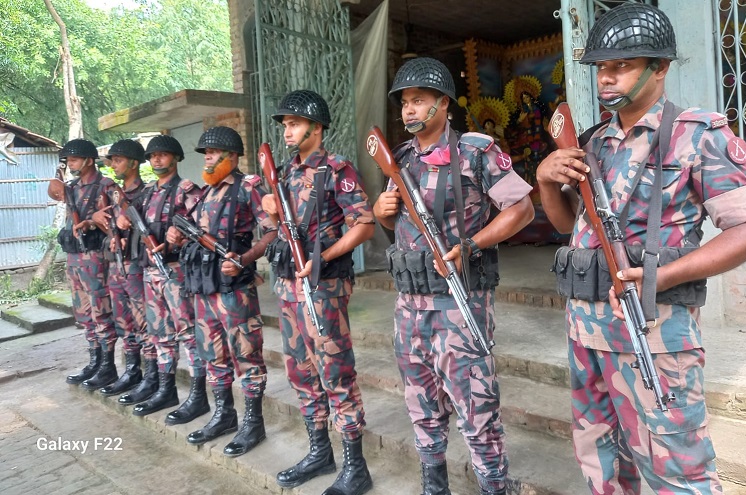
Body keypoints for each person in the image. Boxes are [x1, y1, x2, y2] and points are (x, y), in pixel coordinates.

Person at [535, 4, 746, 494]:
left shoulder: (697, 135)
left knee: (677, 474)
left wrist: (666, 274)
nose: (606, 78)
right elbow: (566, 226)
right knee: (602, 467)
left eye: (620, 66)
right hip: (586, 333)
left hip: (656, 338)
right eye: (601, 67)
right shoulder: (593, 142)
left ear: (659, 68)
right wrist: (544, 180)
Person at [373, 57, 534, 495]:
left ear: (443, 103)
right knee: (420, 400)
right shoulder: (399, 159)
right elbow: (399, 228)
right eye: (404, 102)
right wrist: (380, 211)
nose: (408, 109)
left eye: (418, 100)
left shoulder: (476, 152)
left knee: (476, 406)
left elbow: (521, 209)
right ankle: (434, 482)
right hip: (410, 306)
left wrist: (470, 246)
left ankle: (493, 485)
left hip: (460, 303)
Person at [264, 90, 375, 495]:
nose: (287, 131)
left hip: (323, 288)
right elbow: (272, 227)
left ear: (316, 126)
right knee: (300, 371)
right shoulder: (283, 173)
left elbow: (364, 223)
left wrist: (325, 256)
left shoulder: (336, 168)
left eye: (294, 123)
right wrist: (270, 210)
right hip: (288, 285)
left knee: (335, 372)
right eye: (285, 125)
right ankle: (319, 451)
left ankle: (355, 466)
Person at [166, 126, 274, 457]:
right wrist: (176, 236)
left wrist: (244, 259)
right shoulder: (202, 195)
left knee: (247, 355)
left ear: (232, 156)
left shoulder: (248, 187)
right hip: (202, 288)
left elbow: (272, 232)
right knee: (213, 355)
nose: (208, 158)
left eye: (213, 153)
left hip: (234, 289)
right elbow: (188, 232)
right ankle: (224, 414)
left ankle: (253, 424)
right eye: (206, 154)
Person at [116, 135, 209, 429]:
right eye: (153, 155)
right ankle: (166, 389)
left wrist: (179, 235)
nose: (157, 159)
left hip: (177, 271)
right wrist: (122, 219)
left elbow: (203, 226)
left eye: (163, 154)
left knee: (189, 333)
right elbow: (127, 217)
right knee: (160, 334)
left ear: (176, 158)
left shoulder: (186, 190)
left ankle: (198, 394)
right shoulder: (145, 194)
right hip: (150, 272)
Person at [90, 139, 151, 397]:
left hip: (138, 267)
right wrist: (111, 235)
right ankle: (132, 371)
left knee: (144, 324)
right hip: (117, 267)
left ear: (134, 163)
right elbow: (109, 229)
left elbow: (152, 231)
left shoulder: (147, 194)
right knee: (124, 322)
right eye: (112, 161)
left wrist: (130, 233)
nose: (113, 165)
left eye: (118, 160)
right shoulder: (115, 196)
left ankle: (152, 377)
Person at [58, 139, 119, 391]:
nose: (69, 164)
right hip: (74, 258)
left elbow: (117, 222)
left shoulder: (106, 186)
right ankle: (94, 360)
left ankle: (108, 365)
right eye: (68, 161)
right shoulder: (71, 188)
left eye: (73, 159)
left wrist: (93, 220)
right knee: (84, 313)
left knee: (100, 310)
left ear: (89, 160)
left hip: (95, 257)